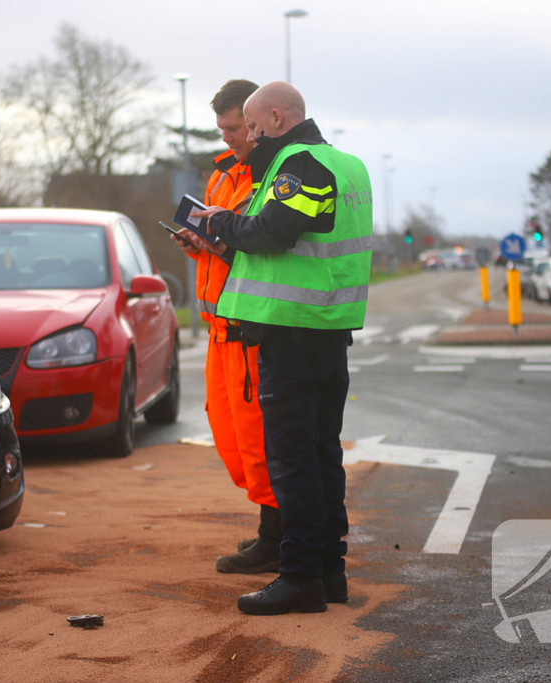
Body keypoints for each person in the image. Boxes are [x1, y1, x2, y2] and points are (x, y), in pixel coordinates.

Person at [191, 81, 373, 615]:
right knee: (321, 458)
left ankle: (299, 578)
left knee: (294, 464)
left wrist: (219, 221)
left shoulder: (301, 164)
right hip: (324, 331)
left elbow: (272, 232)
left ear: (276, 117)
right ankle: (328, 574)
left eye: (252, 126)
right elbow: (290, 241)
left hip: (292, 335)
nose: (249, 137)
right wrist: (228, 233)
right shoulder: (348, 165)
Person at [169, 79, 282, 575]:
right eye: (222, 129)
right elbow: (225, 244)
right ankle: (273, 530)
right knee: (232, 441)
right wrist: (199, 246)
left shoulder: (268, 178)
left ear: (257, 123)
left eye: (235, 128)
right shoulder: (221, 176)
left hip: (247, 331)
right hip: (219, 331)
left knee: (259, 443)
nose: (229, 138)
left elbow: (264, 250)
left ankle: (276, 538)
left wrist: (221, 245)